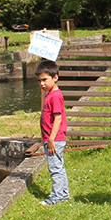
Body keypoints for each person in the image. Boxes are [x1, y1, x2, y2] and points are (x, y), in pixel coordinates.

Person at [35, 59, 70, 205]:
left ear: (55, 77)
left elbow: (58, 118)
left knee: (55, 168)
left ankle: (56, 198)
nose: (42, 83)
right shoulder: (51, 94)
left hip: (54, 139)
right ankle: (63, 194)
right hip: (52, 138)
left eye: (45, 79)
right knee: (58, 166)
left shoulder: (55, 96)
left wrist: (51, 139)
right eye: (39, 81)